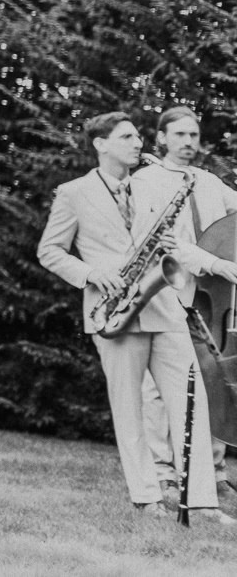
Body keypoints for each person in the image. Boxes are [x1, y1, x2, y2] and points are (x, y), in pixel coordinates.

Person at [38, 110, 237, 524]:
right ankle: (146, 496)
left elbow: (177, 246)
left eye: (137, 137)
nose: (137, 143)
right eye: (127, 137)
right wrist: (92, 273)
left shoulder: (154, 187)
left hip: (164, 307)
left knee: (193, 401)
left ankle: (202, 503)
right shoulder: (73, 193)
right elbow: (50, 252)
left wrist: (199, 259)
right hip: (114, 311)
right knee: (128, 408)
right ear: (101, 143)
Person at [137, 105, 237, 499]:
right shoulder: (145, 181)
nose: (188, 142)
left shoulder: (208, 181)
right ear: (161, 137)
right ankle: (162, 472)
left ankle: (213, 473)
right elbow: (166, 242)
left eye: (193, 135)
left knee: (214, 378)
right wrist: (221, 264)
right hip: (168, 290)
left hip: (212, 296)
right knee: (157, 387)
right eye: (179, 135)